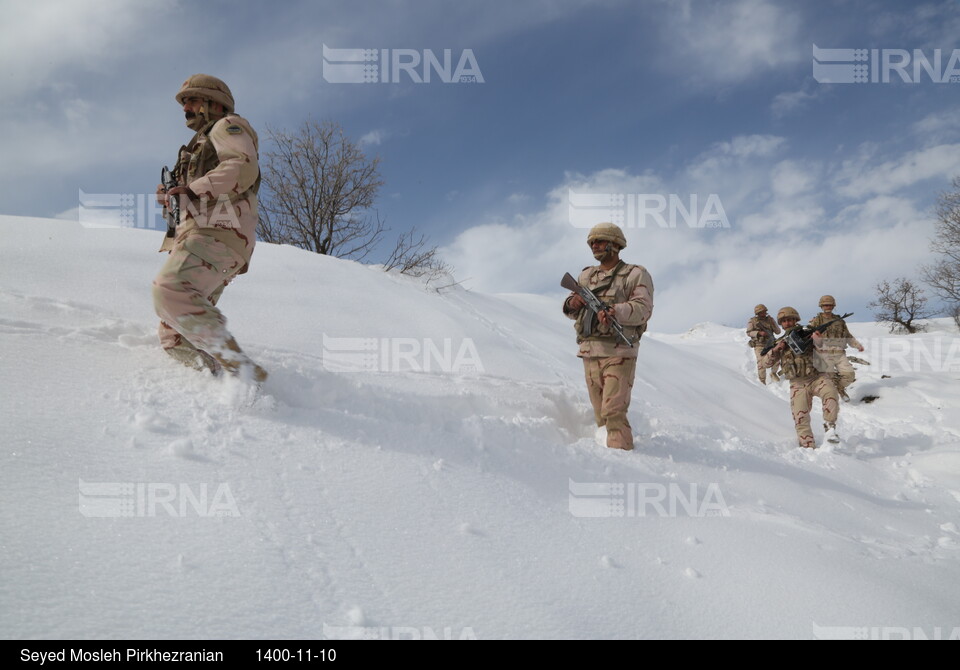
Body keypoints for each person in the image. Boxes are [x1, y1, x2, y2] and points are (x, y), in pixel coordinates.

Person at [153, 74, 266, 382]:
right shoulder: (200, 143)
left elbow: (242, 165)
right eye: (183, 102)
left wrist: (194, 190)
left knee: (170, 290)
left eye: (191, 100)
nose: (185, 108)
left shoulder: (227, 126)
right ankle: (222, 384)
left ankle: (241, 371)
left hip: (219, 235)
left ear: (213, 103)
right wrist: (173, 197)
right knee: (174, 337)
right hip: (199, 237)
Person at [562, 223, 654, 451]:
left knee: (613, 411)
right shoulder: (586, 275)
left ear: (615, 245)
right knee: (600, 414)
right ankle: (606, 458)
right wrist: (573, 302)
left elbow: (643, 308)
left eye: (600, 241)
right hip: (590, 351)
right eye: (592, 242)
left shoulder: (635, 273)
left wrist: (615, 311)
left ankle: (622, 459)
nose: (595, 246)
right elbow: (570, 309)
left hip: (619, 351)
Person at [762, 307, 840, 448]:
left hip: (817, 378)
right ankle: (807, 448)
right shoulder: (780, 342)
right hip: (797, 384)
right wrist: (776, 349)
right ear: (781, 323)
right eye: (784, 321)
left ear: (796, 320)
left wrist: (818, 342)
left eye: (790, 319)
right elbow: (766, 364)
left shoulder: (808, 333)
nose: (788, 323)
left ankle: (830, 428)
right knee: (800, 417)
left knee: (831, 393)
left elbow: (829, 354)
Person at [808, 295, 863, 401]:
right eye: (825, 305)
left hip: (839, 353)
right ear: (821, 306)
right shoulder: (816, 321)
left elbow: (847, 336)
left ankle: (840, 387)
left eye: (830, 305)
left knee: (849, 375)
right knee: (828, 378)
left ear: (833, 306)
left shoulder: (839, 321)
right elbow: (810, 338)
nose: (828, 307)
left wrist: (857, 345)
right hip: (823, 353)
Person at [746, 304, 781, 384]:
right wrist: (758, 333)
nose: (764, 314)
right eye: (761, 312)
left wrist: (773, 322)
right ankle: (762, 382)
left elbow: (778, 332)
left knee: (776, 359)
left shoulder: (770, 320)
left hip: (771, 343)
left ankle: (773, 373)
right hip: (759, 345)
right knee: (761, 363)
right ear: (757, 313)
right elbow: (749, 332)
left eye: (765, 312)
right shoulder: (753, 321)